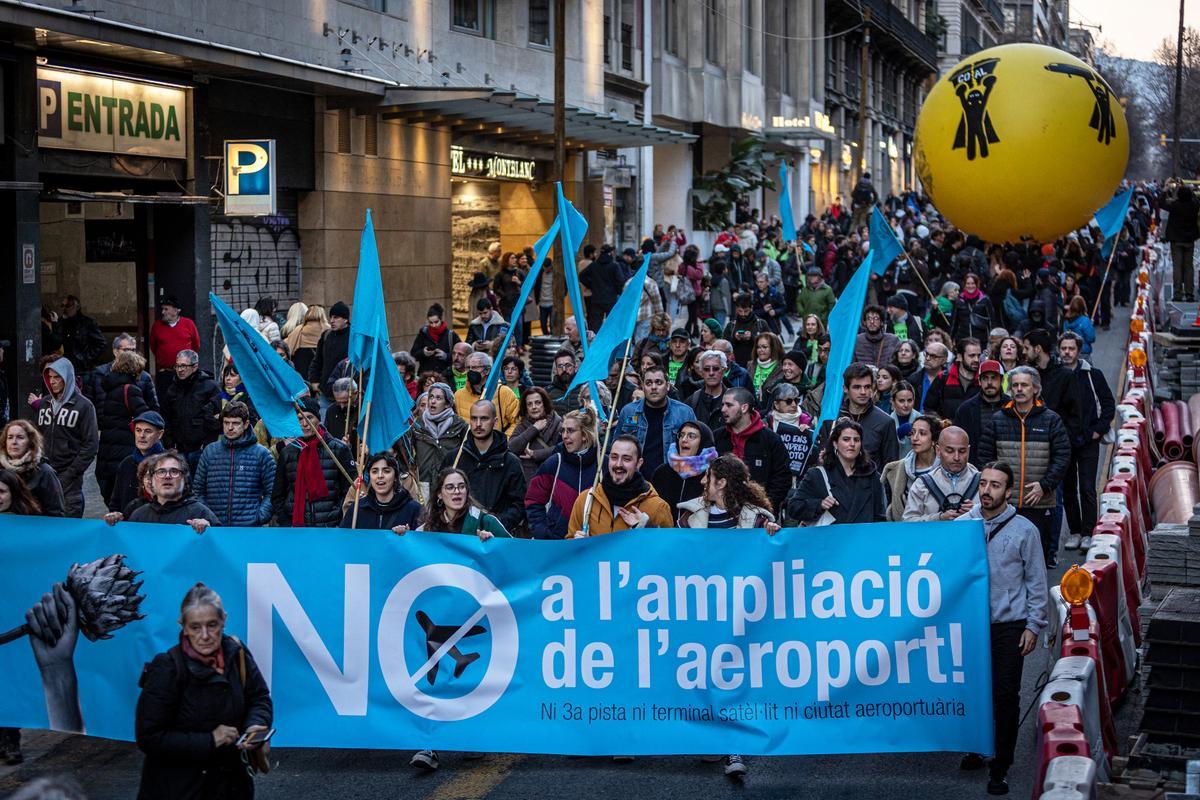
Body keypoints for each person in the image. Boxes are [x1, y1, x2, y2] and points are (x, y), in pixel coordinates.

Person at [959, 462, 1048, 796]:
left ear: (1008, 491)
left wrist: (1034, 626)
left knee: (1005, 695)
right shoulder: (961, 526)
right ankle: (976, 746)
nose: (986, 491)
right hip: (969, 625)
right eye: (983, 483)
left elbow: (1036, 582)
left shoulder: (1024, 530)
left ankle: (1001, 765)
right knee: (973, 691)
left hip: (1009, 625)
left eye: (995, 485)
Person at [135, 582, 272, 799]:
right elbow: (149, 737)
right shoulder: (167, 668)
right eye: (195, 627)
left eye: (212, 625)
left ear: (224, 621)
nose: (205, 635)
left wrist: (254, 726)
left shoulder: (237, 654)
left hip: (232, 787)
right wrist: (210, 740)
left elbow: (259, 697)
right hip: (181, 790)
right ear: (183, 626)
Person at [977, 366, 1071, 567]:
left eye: (1024, 385)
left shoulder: (1051, 420)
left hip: (1038, 503)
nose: (1019, 389)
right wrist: (995, 488)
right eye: (1015, 385)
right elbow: (985, 456)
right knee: (1003, 559)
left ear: (1035, 389)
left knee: (1036, 560)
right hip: (1005, 505)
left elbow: (1062, 457)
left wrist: (1044, 485)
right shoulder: (998, 420)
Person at [1059, 331, 1115, 550]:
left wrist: (1097, 431)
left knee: (1088, 488)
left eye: (1071, 348)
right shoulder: (1056, 375)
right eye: (1064, 348)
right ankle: (1074, 531)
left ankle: (1088, 531)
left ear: (1078, 350)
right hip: (1064, 441)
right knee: (1069, 489)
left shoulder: (1093, 374)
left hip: (1088, 440)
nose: (1067, 352)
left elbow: (1108, 404)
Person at [446, 399, 526, 535]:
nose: (478, 424)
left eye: (484, 419)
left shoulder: (510, 462)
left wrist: (494, 524)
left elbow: (519, 505)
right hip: (459, 535)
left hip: (494, 538)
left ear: (495, 422)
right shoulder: (455, 457)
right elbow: (440, 496)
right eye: (474, 418)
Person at [785, 419, 886, 524]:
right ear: (835, 443)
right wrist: (819, 504)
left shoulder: (873, 476)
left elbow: (880, 516)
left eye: (856, 440)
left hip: (863, 538)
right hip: (831, 539)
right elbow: (793, 507)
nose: (852, 444)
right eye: (846, 439)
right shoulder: (817, 475)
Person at [272, 398, 354, 527]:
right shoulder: (287, 452)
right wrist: (286, 521)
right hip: (296, 528)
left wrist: (338, 517)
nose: (304, 423)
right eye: (299, 419)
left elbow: (349, 490)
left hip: (330, 527)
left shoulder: (338, 449)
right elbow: (278, 495)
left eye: (309, 417)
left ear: (318, 419)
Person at [568, 436, 674, 536]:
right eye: (614, 457)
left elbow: (667, 550)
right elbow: (569, 543)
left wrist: (646, 527)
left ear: (638, 463)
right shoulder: (586, 500)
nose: (618, 464)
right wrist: (581, 546)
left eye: (626, 459)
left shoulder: (657, 508)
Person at [193, 402, 276, 528]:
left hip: (248, 529)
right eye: (226, 423)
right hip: (215, 527)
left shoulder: (261, 454)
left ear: (246, 424)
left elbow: (273, 492)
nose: (230, 428)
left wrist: (259, 517)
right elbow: (198, 490)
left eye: (235, 423)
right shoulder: (210, 451)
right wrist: (207, 516)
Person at [33, 356, 98, 518]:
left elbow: (90, 445)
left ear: (67, 378)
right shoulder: (44, 404)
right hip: (43, 475)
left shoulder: (84, 406)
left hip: (70, 483)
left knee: (67, 528)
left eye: (57, 377)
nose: (53, 382)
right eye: (50, 377)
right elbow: (35, 437)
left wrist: (71, 473)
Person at [524, 407, 600, 539]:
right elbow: (533, 500)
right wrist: (543, 533)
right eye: (563, 430)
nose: (564, 436)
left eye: (570, 431)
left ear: (584, 434)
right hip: (557, 545)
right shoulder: (554, 463)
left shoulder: (603, 465)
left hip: (595, 545)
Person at [713, 387, 791, 514]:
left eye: (729, 405)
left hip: (759, 513)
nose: (723, 410)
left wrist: (766, 507)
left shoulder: (770, 440)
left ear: (744, 408)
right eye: (723, 405)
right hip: (720, 511)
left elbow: (782, 478)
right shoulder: (717, 437)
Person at [614, 365, 696, 479]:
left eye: (658, 382)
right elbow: (615, 446)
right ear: (643, 387)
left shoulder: (684, 413)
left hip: (671, 480)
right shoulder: (629, 412)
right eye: (648, 383)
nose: (653, 387)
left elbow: (695, 450)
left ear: (667, 386)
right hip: (635, 479)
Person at [93, 349, 152, 503]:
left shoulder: (109, 388)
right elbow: (147, 418)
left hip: (107, 452)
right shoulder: (130, 390)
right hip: (125, 448)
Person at [824, 364, 899, 470]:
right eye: (857, 387)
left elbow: (891, 467)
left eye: (867, 387)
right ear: (845, 388)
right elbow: (823, 458)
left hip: (870, 484)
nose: (863, 392)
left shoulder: (886, 422)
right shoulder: (832, 420)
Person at [678, 453, 779, 532]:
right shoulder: (691, 515)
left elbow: (767, 552)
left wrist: (771, 531)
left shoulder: (756, 520)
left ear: (721, 483)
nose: (702, 481)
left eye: (708, 476)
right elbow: (677, 547)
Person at [123, 451, 221, 531]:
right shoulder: (139, 516)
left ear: (184, 479)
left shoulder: (201, 513)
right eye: (161, 472)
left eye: (174, 471)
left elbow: (219, 548)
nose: (167, 476)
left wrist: (209, 532)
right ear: (152, 480)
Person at [162, 350, 221, 475]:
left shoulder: (210, 387)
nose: (180, 369)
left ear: (195, 367)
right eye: (177, 366)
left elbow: (215, 419)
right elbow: (166, 418)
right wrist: (169, 445)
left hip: (201, 449)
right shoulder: (172, 389)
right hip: (178, 450)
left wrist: (207, 444)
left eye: (183, 366)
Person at [903, 426, 980, 521]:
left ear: (968, 451)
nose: (956, 457)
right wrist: (938, 518)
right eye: (950, 451)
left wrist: (977, 512)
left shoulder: (983, 483)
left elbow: (1000, 518)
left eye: (962, 451)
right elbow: (908, 522)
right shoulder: (922, 484)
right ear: (938, 451)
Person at [650, 420, 718, 520]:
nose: (684, 440)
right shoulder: (662, 472)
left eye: (691, 436)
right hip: (664, 532)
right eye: (681, 435)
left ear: (703, 442)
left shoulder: (712, 474)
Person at [880, 415, 941, 521]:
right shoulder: (898, 468)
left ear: (934, 440)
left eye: (922, 433)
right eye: (912, 433)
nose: (915, 438)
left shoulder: (945, 468)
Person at [340, 452, 421, 531]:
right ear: (370, 476)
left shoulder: (413, 510)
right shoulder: (357, 509)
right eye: (374, 471)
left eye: (386, 471)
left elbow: (422, 541)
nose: (380, 476)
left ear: (395, 477)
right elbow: (344, 540)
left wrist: (409, 536)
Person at [0, 420, 65, 516]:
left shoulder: (45, 472)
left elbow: (56, 512)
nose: (14, 442)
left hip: (35, 527)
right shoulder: (1, 468)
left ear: (30, 442)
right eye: (10, 437)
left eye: (20, 437)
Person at [954, 360, 1010, 468]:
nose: (989, 382)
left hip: (1006, 468)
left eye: (993, 377)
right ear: (979, 381)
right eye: (985, 378)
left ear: (1002, 380)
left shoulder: (1012, 406)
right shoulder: (966, 409)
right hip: (974, 469)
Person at [411, 383, 467, 491]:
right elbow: (407, 454)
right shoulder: (417, 425)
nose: (432, 401)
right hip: (424, 484)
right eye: (431, 397)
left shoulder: (460, 426)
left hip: (450, 484)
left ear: (447, 404)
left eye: (438, 398)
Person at [110, 411, 167, 514]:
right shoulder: (126, 463)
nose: (142, 435)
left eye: (148, 431)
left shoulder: (170, 464)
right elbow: (115, 502)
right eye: (138, 430)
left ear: (160, 434)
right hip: (128, 525)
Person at [85, 333, 159, 411]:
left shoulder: (144, 376)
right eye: (126, 350)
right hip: (103, 420)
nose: (130, 353)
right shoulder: (99, 373)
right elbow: (88, 403)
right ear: (115, 352)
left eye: (133, 350)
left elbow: (153, 407)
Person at [149, 296, 201, 401]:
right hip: (165, 373)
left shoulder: (188, 324)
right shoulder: (157, 326)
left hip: (186, 372)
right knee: (165, 401)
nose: (163, 312)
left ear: (176, 311)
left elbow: (196, 346)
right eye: (162, 309)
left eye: (166, 309)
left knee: (186, 400)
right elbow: (153, 347)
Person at [454, 352, 520, 435]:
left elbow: (517, 422)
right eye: (468, 368)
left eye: (475, 367)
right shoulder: (458, 395)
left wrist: (504, 441)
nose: (470, 371)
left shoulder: (504, 393)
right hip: (468, 446)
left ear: (487, 370)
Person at [506, 387, 561, 483]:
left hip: (553, 478)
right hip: (528, 482)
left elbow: (562, 448)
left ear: (544, 404)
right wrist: (534, 429)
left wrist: (535, 454)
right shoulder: (522, 426)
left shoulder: (557, 423)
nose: (534, 407)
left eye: (538, 403)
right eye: (529, 404)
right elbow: (511, 448)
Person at [924, 337, 981, 420]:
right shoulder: (943, 378)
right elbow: (929, 409)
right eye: (972, 356)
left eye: (978, 355)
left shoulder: (984, 380)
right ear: (959, 357)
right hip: (947, 431)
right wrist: (940, 423)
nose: (976, 359)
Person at [307, 301, 351, 405]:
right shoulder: (326, 335)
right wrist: (314, 380)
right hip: (326, 393)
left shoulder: (353, 338)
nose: (332, 321)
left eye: (336, 317)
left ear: (345, 319)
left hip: (346, 393)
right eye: (330, 317)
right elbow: (317, 360)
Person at [1162, 180, 1199, 301]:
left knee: (1177, 267)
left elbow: (1161, 203)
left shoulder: (1175, 206)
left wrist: (1165, 189)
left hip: (1176, 239)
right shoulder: (1194, 206)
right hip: (1189, 239)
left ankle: (1178, 293)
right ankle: (1189, 293)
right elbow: (1196, 199)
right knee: (1189, 267)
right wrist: (1191, 190)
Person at [57, 295, 107, 376]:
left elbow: (101, 344)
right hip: (63, 366)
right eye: (62, 306)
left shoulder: (87, 323)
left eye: (68, 306)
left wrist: (84, 359)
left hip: (81, 369)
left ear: (77, 307)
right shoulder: (59, 323)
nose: (64, 309)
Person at [686, 350, 731, 430]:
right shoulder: (692, 401)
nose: (711, 373)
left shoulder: (734, 400)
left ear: (724, 370)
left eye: (716, 369)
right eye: (706, 369)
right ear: (701, 372)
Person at [285, 304, 330, 381]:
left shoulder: (298, 331)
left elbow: (286, 347)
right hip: (323, 378)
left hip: (301, 377)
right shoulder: (329, 331)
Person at [722, 293, 767, 368]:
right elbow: (724, 346)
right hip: (736, 365)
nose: (743, 314)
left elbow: (769, 343)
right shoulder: (731, 325)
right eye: (740, 311)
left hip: (758, 365)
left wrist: (752, 337)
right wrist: (735, 338)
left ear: (751, 308)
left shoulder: (761, 324)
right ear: (736, 309)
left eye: (746, 311)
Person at [952, 273, 995, 344]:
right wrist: (951, 338)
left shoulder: (985, 300)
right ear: (964, 285)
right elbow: (954, 322)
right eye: (968, 283)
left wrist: (992, 339)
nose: (970, 286)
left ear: (977, 284)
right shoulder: (959, 301)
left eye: (973, 283)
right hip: (963, 338)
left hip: (981, 339)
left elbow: (991, 321)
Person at [322, 376, 359, 452]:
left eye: (345, 402)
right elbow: (327, 437)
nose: (342, 406)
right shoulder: (331, 410)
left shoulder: (365, 409)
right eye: (338, 402)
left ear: (355, 393)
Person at [911, 341, 949, 411]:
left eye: (933, 356)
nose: (927, 358)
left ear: (944, 360)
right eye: (926, 354)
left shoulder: (951, 381)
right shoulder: (913, 379)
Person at [750, 332, 785, 400]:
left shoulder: (783, 367)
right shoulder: (751, 365)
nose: (760, 350)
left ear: (774, 348)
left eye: (764, 347)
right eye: (758, 347)